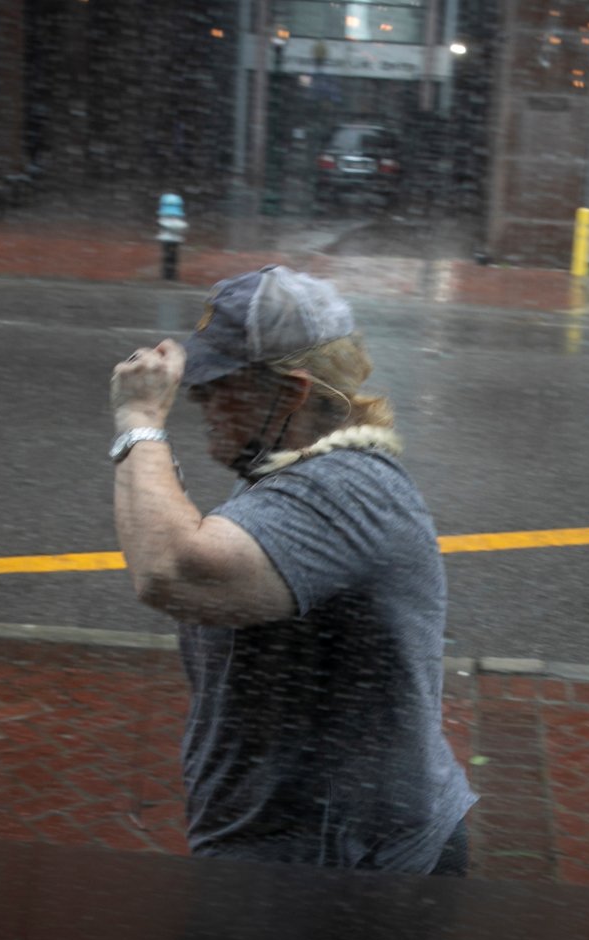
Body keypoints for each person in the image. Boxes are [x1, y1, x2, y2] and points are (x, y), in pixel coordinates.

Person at [109, 264, 476, 873]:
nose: (198, 396)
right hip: (290, 859)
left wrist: (139, 420)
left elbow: (171, 572)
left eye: (218, 383)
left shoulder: (346, 489)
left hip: (346, 870)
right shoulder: (293, 475)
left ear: (293, 393)